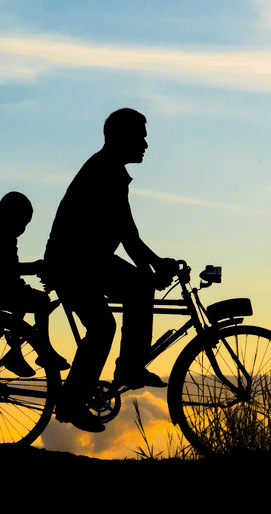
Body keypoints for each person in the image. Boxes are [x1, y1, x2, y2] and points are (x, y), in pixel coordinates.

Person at [43, 108, 176, 432]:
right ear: (121, 137)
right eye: (140, 136)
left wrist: (155, 265)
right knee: (103, 325)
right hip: (74, 263)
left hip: (85, 260)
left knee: (136, 288)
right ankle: (91, 390)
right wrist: (153, 267)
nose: (146, 143)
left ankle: (126, 368)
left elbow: (127, 232)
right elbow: (129, 236)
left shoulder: (109, 170)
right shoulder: (107, 172)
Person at [0, 191, 69, 377]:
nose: (23, 229)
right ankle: (44, 349)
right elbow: (7, 269)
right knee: (41, 301)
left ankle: (19, 351)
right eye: (22, 223)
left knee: (30, 299)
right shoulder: (1, 238)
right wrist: (34, 267)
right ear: (10, 218)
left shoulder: (0, 236)